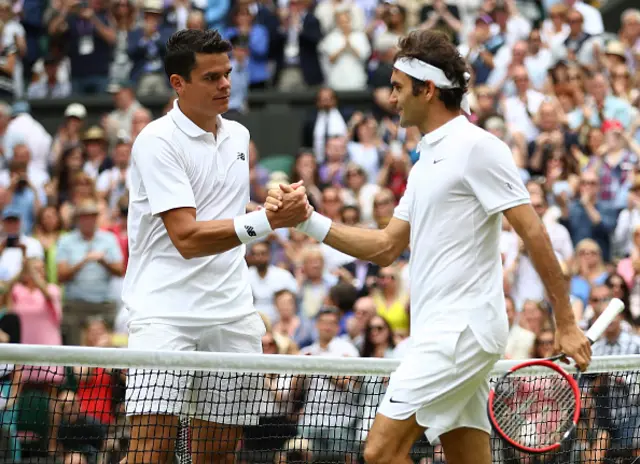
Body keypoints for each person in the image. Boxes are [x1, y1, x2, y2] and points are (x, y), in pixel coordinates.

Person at [264, 29, 592, 464]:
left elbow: (534, 234)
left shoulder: (477, 148)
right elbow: (385, 246)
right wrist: (307, 220)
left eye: (399, 87)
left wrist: (565, 322)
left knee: (381, 452)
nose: (392, 97)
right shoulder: (424, 163)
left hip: (461, 332)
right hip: (444, 331)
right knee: (466, 457)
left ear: (428, 89)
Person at [121, 29, 310, 464]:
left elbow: (223, 208)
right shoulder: (156, 141)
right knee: (151, 451)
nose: (225, 84)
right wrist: (265, 220)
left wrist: (269, 204)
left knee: (219, 452)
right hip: (165, 314)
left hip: (231, 312)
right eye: (211, 77)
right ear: (178, 83)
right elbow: (186, 237)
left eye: (227, 74)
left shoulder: (239, 136)